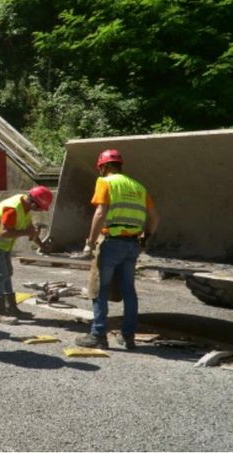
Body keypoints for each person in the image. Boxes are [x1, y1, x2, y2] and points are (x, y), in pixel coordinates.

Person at [76, 149, 159, 350]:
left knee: (99, 289)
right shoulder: (139, 187)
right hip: (132, 245)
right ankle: (128, 337)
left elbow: (100, 213)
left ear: (103, 167)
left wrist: (90, 242)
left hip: (112, 243)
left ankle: (98, 336)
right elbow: (155, 217)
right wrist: (145, 239)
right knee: (129, 291)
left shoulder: (105, 182)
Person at [0, 185, 54, 324]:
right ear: (33, 202)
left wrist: (41, 245)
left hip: (2, 243)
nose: (40, 211)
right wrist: (26, 233)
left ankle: (10, 307)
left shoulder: (25, 207)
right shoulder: (12, 209)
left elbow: (29, 228)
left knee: (7, 272)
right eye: (39, 207)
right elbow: (4, 232)